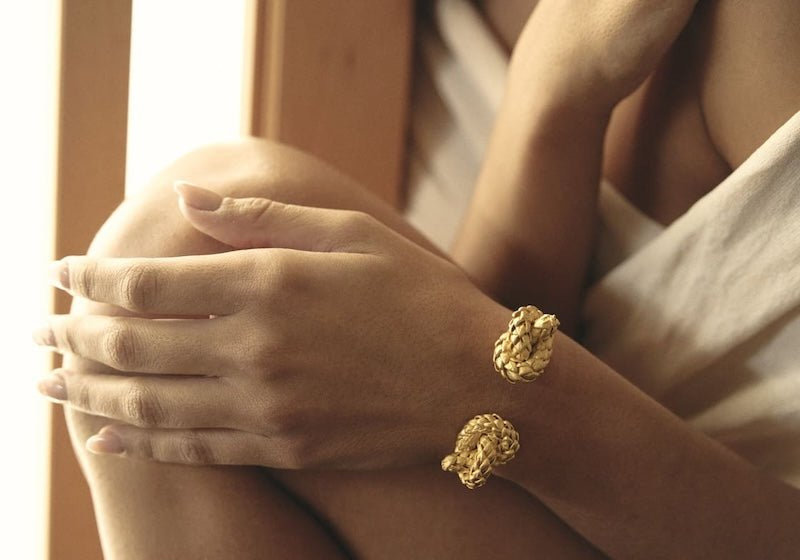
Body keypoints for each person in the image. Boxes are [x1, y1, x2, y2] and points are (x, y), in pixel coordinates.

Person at [33, 0, 800, 558]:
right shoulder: (356, 37)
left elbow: (434, 370)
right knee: (168, 290)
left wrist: (493, 391)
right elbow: (419, 361)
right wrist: (551, 103)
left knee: (177, 256)